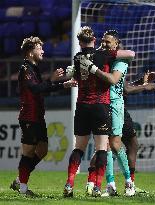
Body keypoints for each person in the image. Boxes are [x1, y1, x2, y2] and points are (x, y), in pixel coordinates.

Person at [63, 26, 135, 198]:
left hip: (113, 105)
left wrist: (89, 68)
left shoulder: (115, 59)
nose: (104, 43)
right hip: (100, 106)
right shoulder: (101, 56)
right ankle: (106, 184)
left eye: (107, 41)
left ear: (116, 44)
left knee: (115, 144)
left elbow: (115, 81)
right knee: (105, 147)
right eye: (102, 40)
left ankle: (128, 182)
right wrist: (75, 72)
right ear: (95, 40)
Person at [10, 36, 77, 197]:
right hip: (28, 116)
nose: (43, 51)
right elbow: (35, 89)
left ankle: (20, 180)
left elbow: (43, 88)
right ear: (30, 51)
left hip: (38, 117)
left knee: (42, 150)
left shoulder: (34, 68)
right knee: (28, 153)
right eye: (40, 48)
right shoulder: (25, 68)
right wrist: (52, 79)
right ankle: (23, 189)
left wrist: (62, 84)